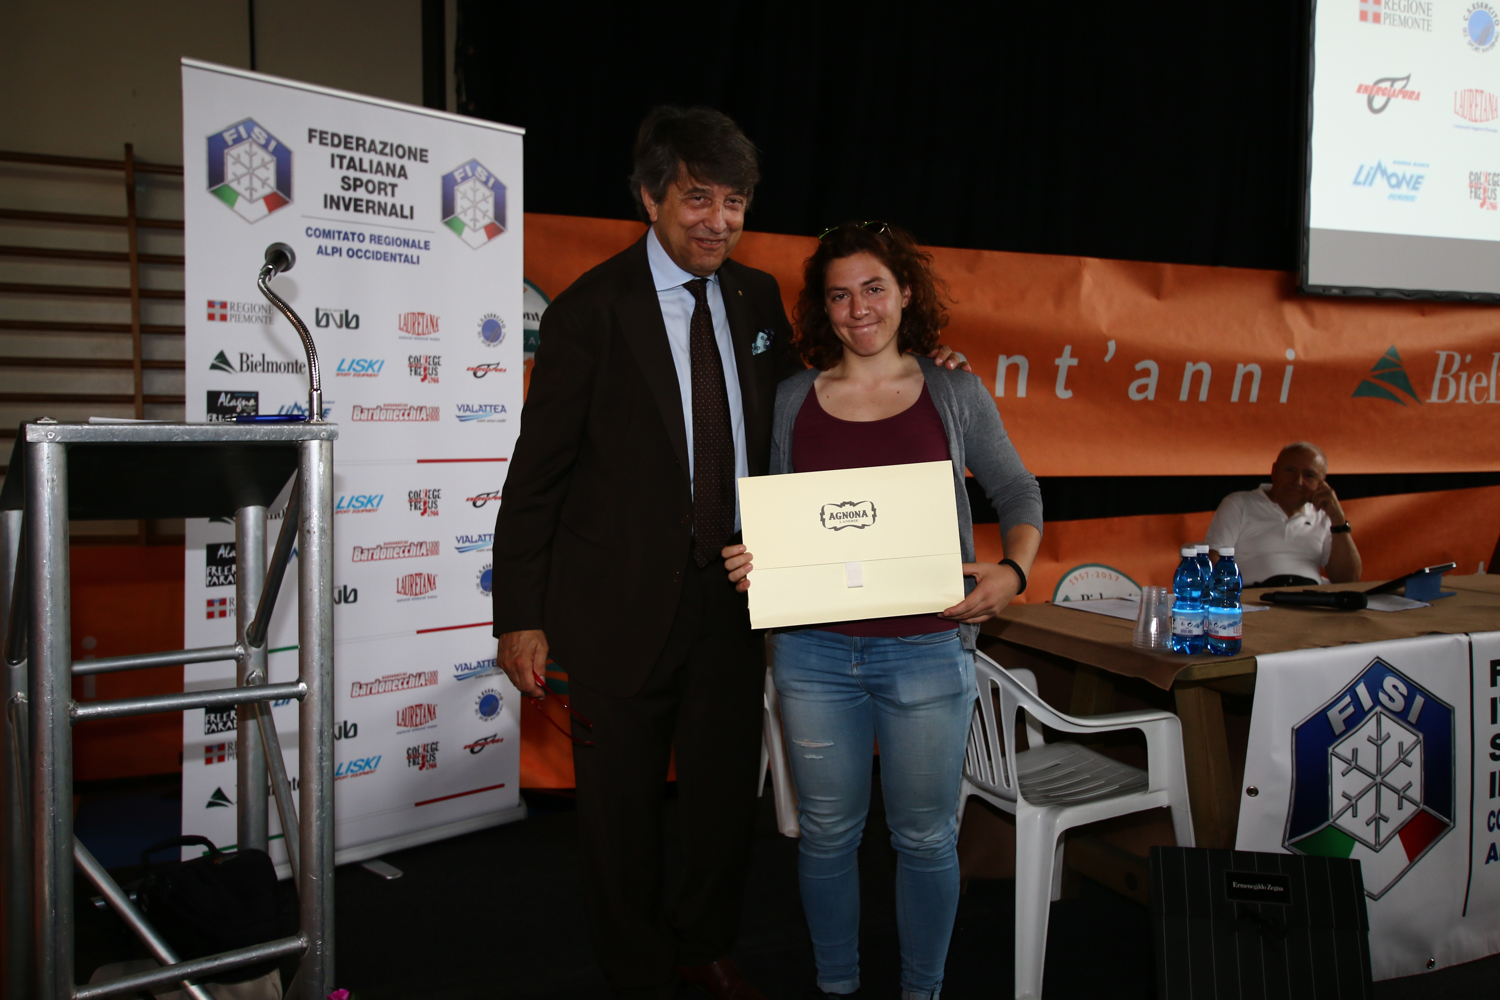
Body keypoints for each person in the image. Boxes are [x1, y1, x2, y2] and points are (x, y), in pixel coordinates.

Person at [491, 108, 968, 1000]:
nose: (718, 220)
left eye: (735, 202)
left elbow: (821, 396)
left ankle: (704, 945)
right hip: (615, 606)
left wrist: (921, 356)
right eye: (698, 198)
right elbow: (537, 475)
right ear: (650, 199)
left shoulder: (755, 298)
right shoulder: (590, 309)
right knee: (620, 816)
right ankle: (636, 971)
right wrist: (519, 614)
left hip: (738, 601)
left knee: (720, 806)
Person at [724, 222, 1043, 1000]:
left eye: (873, 288)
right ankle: (836, 985)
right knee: (826, 836)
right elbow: (774, 515)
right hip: (813, 655)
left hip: (929, 649)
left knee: (926, 837)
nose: (858, 308)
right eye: (839, 295)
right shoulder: (793, 399)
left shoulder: (954, 391)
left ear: (905, 293)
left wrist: (1014, 571)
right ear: (822, 308)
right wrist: (752, 557)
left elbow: (1017, 490)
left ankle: (921, 991)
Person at [1205, 441, 1362, 586]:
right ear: (1274, 471)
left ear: (1322, 482)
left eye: (1309, 475)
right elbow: (1213, 559)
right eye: (1290, 470)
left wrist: (1338, 520)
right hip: (1253, 598)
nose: (1298, 481)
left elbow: (1349, 580)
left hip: (1309, 599)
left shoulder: (1324, 516)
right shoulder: (1239, 504)